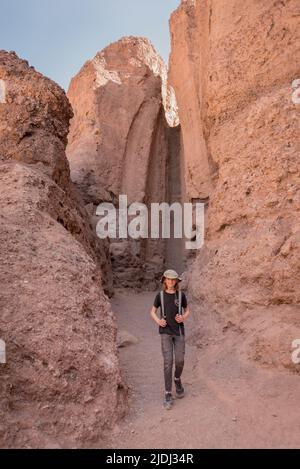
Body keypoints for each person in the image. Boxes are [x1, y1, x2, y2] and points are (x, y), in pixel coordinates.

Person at [150, 269, 191, 410]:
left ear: (176, 282)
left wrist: (183, 317)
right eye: (168, 279)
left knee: (180, 360)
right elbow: (152, 311)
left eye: (173, 280)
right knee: (168, 362)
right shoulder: (160, 295)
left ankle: (177, 379)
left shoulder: (181, 295)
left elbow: (187, 310)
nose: (171, 282)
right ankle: (168, 393)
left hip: (179, 332)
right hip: (165, 333)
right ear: (164, 281)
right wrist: (158, 321)